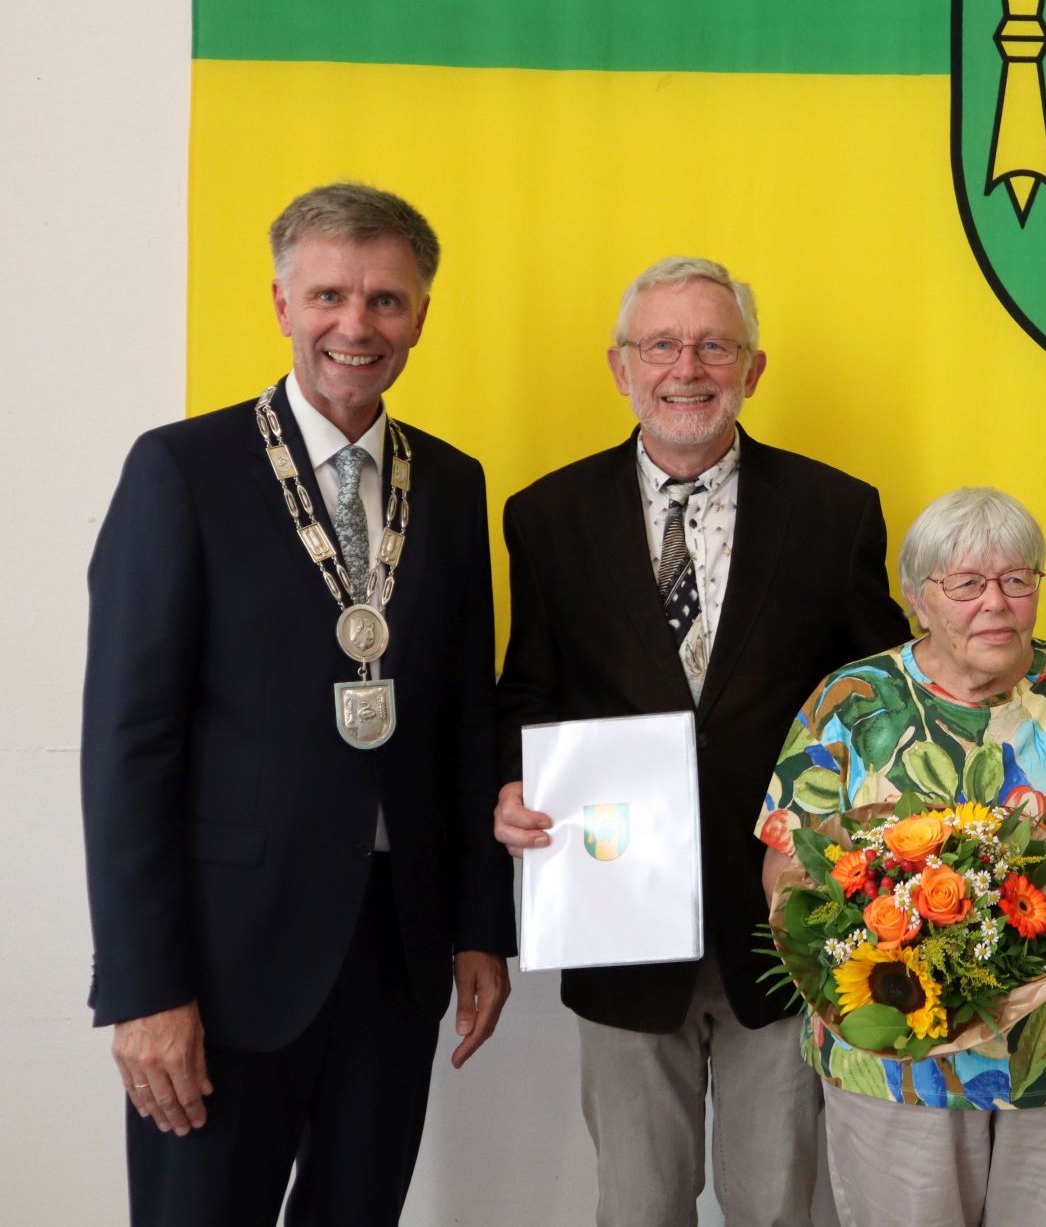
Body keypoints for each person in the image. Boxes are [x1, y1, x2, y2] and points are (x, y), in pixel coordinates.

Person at [81, 182, 516, 1226]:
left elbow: (464, 721)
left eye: (386, 302)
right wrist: (144, 989)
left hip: (394, 954)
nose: (356, 327)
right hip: (223, 965)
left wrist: (477, 926)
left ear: (421, 314)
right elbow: (127, 746)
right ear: (281, 303)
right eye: (329, 296)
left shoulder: (452, 486)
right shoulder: (182, 470)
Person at [491, 256, 908, 1227]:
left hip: (786, 931)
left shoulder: (834, 510)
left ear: (753, 369)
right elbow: (527, 692)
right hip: (619, 923)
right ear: (621, 366)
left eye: (714, 345)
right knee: (637, 1206)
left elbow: (880, 702)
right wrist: (509, 788)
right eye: (662, 345)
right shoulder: (547, 517)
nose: (688, 366)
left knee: (777, 1208)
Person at [756, 487, 1046, 1227]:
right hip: (897, 1061)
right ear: (917, 599)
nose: (997, 604)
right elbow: (788, 867)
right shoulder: (850, 701)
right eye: (967, 584)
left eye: (1018, 580)